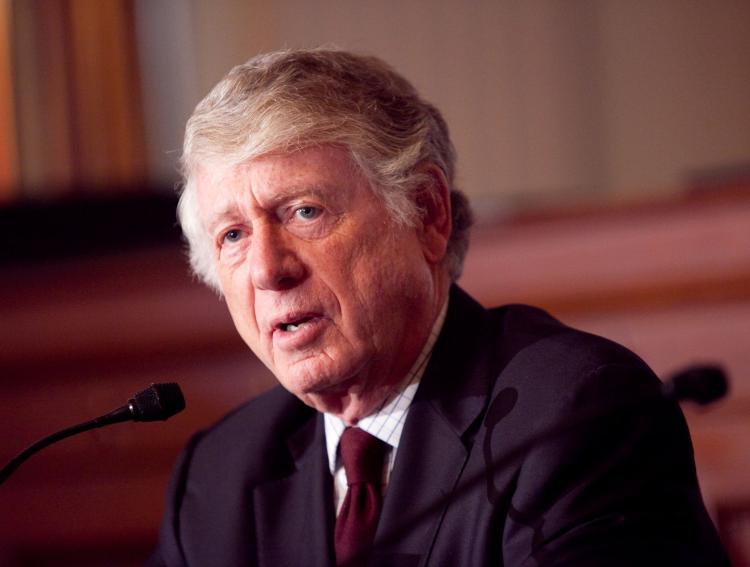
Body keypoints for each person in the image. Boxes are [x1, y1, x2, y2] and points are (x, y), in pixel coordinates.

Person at [148, 48, 728, 567]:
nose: (269, 270)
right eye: (232, 236)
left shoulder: (577, 415)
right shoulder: (220, 476)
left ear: (427, 214)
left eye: (304, 212)